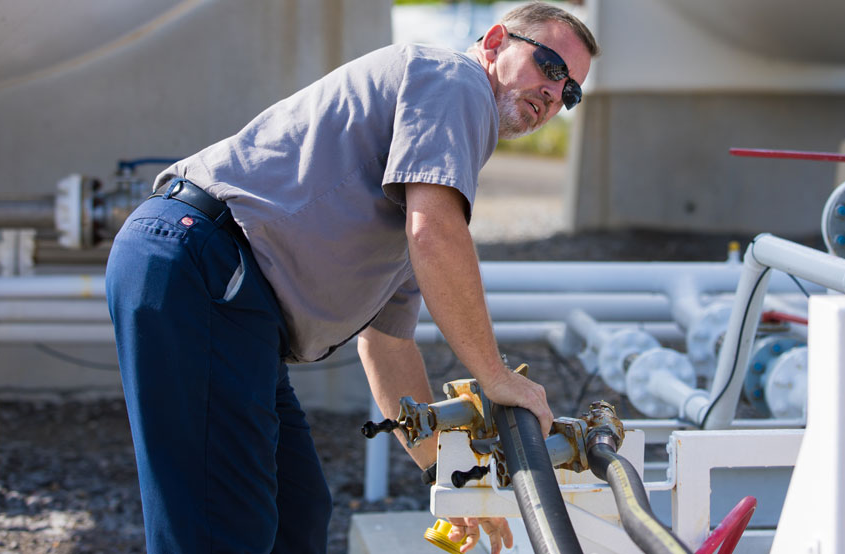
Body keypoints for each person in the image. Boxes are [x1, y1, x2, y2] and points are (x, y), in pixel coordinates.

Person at [104, 2, 599, 553]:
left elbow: (387, 343)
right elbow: (435, 235)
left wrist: (450, 479)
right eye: (551, 66)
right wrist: (495, 375)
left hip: (229, 291)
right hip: (203, 261)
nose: (555, 95)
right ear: (492, 42)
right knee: (221, 529)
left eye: (571, 92)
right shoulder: (457, 81)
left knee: (298, 512)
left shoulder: (423, 164)